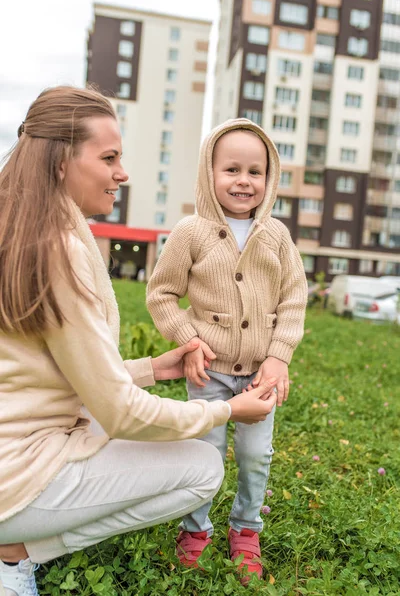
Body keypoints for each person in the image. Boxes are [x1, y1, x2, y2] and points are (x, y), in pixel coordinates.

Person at [0, 88, 278, 596]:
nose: (121, 173)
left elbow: (53, 371)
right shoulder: (60, 252)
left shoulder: (26, 233)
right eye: (109, 158)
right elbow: (122, 413)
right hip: (15, 480)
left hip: (11, 457)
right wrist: (227, 411)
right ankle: (16, 553)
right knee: (202, 467)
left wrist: (154, 367)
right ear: (63, 162)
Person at [147, 118, 308, 581]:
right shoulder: (191, 232)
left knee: (257, 454)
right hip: (209, 373)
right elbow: (161, 294)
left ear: (268, 178)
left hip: (259, 376)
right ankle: (196, 528)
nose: (243, 181)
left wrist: (278, 357)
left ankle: (246, 528)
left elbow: (293, 299)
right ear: (208, 173)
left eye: (255, 172)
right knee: (206, 450)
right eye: (231, 169)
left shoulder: (276, 235)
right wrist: (187, 339)